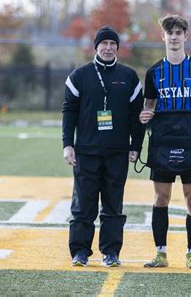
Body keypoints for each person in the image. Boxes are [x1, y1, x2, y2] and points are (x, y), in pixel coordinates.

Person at [139, 15, 191, 269]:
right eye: (170, 32)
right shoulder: (154, 72)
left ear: (186, 36)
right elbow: (148, 107)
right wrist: (144, 115)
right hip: (162, 141)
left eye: (178, 32)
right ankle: (161, 253)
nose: (174, 36)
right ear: (162, 36)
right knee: (161, 198)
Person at [62, 26, 144, 267]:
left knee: (113, 206)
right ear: (95, 47)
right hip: (86, 151)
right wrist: (68, 144)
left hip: (117, 152)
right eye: (104, 43)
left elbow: (136, 115)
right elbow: (69, 112)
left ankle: (111, 252)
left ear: (118, 47)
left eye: (112, 43)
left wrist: (135, 146)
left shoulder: (129, 76)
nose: (108, 48)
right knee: (83, 205)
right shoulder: (79, 76)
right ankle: (79, 252)